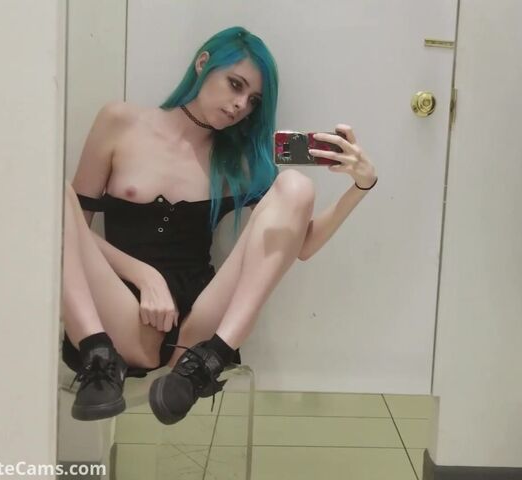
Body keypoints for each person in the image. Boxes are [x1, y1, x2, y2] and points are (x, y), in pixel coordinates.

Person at [61, 26, 378, 424]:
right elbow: (72, 230)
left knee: (296, 186)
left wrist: (361, 186)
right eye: (235, 84)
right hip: (121, 317)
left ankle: (215, 357)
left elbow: (302, 244)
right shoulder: (119, 122)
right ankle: (96, 355)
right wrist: (142, 275)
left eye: (253, 100)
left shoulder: (238, 160)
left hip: (195, 332)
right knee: (53, 194)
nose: (240, 105)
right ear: (203, 63)